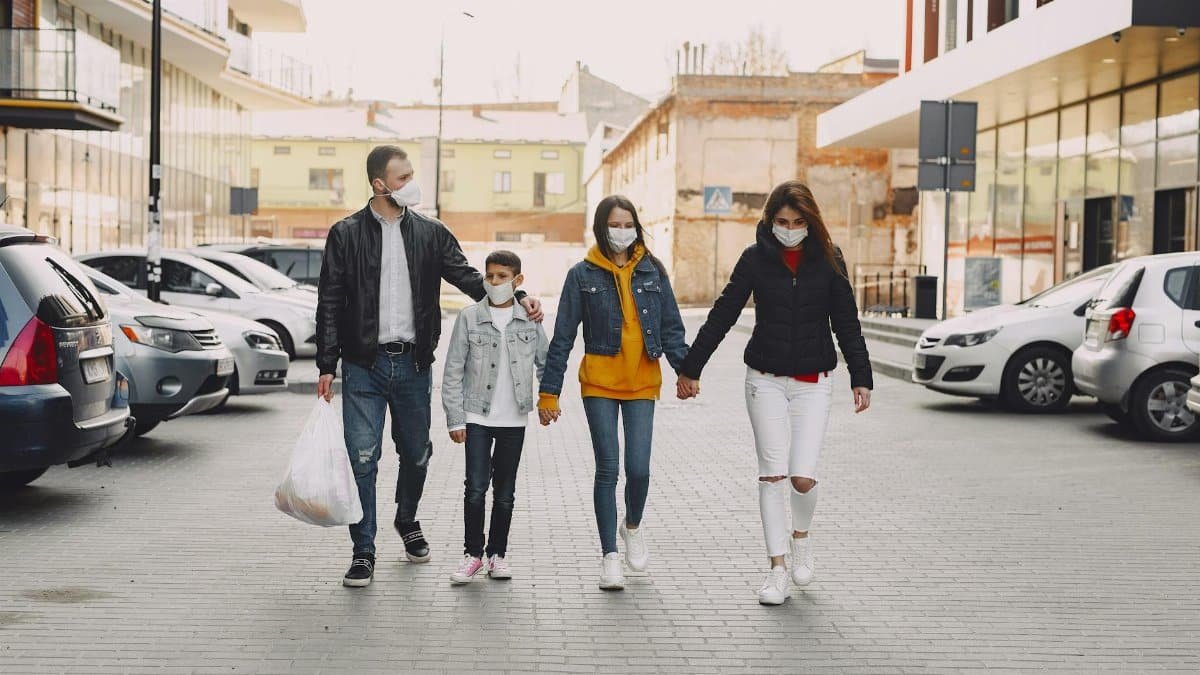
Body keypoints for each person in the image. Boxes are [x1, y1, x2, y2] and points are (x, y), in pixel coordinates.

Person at [316, 145, 543, 588]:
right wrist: (327, 362)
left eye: (411, 174)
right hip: (362, 365)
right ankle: (363, 549)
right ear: (379, 184)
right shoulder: (345, 234)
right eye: (402, 178)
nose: (411, 184)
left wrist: (516, 297)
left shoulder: (431, 233)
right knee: (363, 458)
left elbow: (468, 277)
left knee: (417, 454)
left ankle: (406, 518)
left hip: (413, 364)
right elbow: (330, 299)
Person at [676, 180, 872, 606]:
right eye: (783, 221)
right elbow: (724, 312)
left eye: (799, 222)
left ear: (811, 222)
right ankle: (777, 570)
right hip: (764, 379)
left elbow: (846, 321)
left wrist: (862, 376)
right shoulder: (755, 258)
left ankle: (801, 538)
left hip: (813, 383)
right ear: (769, 221)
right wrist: (691, 368)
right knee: (771, 475)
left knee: (802, 477)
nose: (790, 229)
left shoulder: (830, 258)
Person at [538, 195, 689, 591]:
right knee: (608, 468)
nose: (622, 232)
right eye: (614, 225)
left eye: (628, 225)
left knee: (639, 469)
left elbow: (672, 327)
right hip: (599, 383)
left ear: (636, 228)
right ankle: (609, 557)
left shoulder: (653, 270)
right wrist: (549, 392)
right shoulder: (581, 274)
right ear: (601, 228)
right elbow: (563, 337)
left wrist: (686, 371)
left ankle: (632, 526)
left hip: (643, 381)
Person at [441, 250, 548, 584]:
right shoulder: (469, 317)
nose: (494, 282)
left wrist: (549, 399)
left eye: (502, 276)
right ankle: (472, 554)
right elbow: (452, 370)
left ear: (517, 280)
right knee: (475, 488)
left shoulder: (529, 318)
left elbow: (546, 363)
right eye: (490, 276)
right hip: (477, 417)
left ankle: (497, 555)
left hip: (513, 419)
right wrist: (455, 418)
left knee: (504, 492)